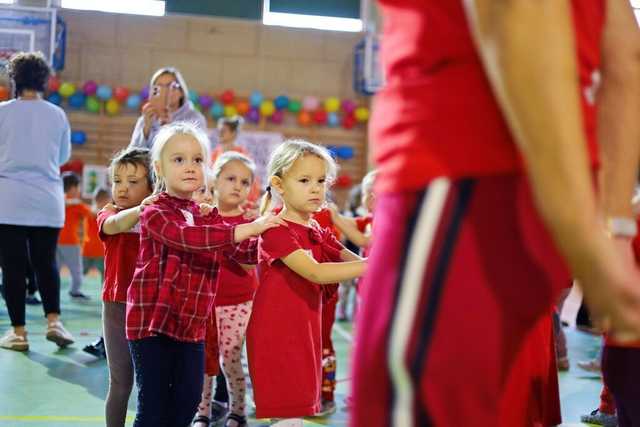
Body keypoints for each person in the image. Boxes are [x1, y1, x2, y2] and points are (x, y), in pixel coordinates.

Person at [351, 1, 640, 426]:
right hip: (522, 197)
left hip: (460, 184)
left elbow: (518, 15)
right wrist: (613, 228)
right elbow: (625, 61)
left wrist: (581, 232)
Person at [125, 122, 282, 427]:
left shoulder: (207, 216)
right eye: (178, 159)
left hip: (191, 326)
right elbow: (189, 238)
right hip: (152, 325)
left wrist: (277, 229)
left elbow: (243, 253)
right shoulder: (154, 211)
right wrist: (249, 227)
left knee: (186, 403)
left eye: (197, 160)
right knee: (153, 407)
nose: (190, 167)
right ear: (159, 167)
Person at [246, 140, 366, 427]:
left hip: (304, 331)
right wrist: (374, 264)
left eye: (321, 180)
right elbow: (316, 272)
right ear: (279, 184)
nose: (316, 188)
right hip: (277, 334)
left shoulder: (315, 228)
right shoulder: (276, 230)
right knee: (286, 416)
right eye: (304, 180)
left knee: (295, 415)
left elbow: (345, 256)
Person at [0, 51, 74, 351]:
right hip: (47, 200)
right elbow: (63, 158)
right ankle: (54, 321)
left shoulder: (2, 112)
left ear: (14, 79)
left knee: (12, 268)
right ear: (44, 80)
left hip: (9, 200)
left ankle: (18, 332)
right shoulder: (57, 114)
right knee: (46, 264)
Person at [194, 152, 259, 427]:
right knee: (203, 361)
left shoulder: (251, 223)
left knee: (230, 358)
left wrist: (227, 231)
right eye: (230, 179)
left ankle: (238, 411)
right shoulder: (202, 216)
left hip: (239, 301)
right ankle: (202, 412)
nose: (237, 186)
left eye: (245, 182)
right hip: (205, 301)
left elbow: (248, 266)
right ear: (215, 181)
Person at [129, 67, 206, 150]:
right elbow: (132, 155)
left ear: (181, 92)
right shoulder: (145, 119)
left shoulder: (195, 119)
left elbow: (196, 152)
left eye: (171, 86)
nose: (165, 92)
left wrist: (169, 129)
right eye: (158, 87)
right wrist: (146, 130)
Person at [57, 172, 92, 300]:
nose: (79, 190)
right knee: (76, 269)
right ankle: (75, 290)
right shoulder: (76, 204)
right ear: (72, 188)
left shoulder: (58, 201)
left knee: (55, 268)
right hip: (70, 242)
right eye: (78, 187)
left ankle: (51, 291)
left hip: (55, 240)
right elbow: (93, 213)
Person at [82, 187, 110, 282]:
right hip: (92, 249)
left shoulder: (105, 211)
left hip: (97, 249)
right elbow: (94, 212)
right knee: (80, 272)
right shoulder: (94, 211)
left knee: (105, 275)